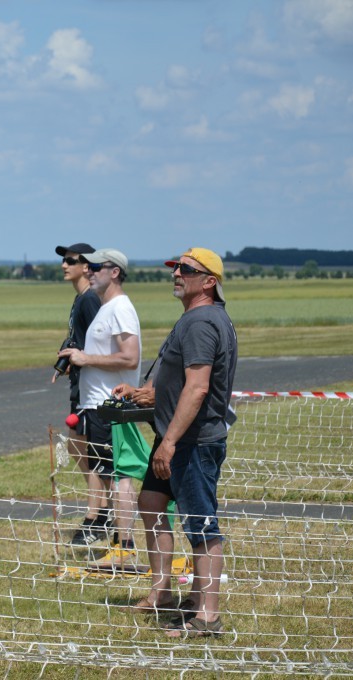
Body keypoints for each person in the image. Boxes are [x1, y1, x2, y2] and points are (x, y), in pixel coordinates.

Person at [114, 247, 237, 638]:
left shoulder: (201, 322)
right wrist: (149, 394)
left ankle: (207, 617)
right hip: (176, 437)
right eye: (175, 268)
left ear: (209, 282)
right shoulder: (197, 318)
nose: (176, 274)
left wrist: (168, 444)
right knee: (150, 502)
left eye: (186, 269)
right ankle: (163, 591)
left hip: (190, 442)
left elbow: (199, 388)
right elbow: (184, 382)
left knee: (202, 527)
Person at [57, 249, 142, 568]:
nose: (89, 271)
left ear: (115, 272)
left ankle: (125, 548)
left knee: (118, 476)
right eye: (88, 266)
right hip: (97, 407)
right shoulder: (107, 307)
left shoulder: (119, 307)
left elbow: (129, 357)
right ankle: (121, 545)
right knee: (109, 472)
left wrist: (85, 359)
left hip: (110, 406)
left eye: (96, 267)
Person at [51, 242, 105, 545]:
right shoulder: (80, 299)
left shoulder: (89, 301)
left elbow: (99, 339)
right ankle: (98, 509)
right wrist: (63, 363)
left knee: (85, 449)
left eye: (70, 260)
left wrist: (81, 358)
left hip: (90, 385)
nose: (64, 265)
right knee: (79, 447)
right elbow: (77, 336)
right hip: (80, 381)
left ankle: (96, 514)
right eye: (63, 260)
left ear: (87, 266)